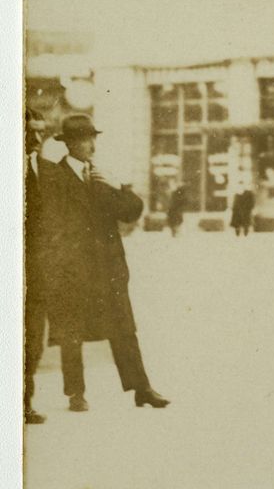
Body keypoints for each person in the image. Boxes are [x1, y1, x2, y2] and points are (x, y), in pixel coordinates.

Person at [40, 114, 170, 412]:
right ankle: (76, 393)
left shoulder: (100, 176)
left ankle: (142, 388)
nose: (92, 144)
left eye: (93, 138)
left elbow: (131, 212)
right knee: (72, 332)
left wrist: (118, 185)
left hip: (108, 269)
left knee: (124, 327)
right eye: (86, 139)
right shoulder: (55, 178)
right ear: (70, 143)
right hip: (74, 269)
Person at [24, 109, 49, 424]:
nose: (38, 138)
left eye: (41, 132)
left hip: (38, 272)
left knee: (32, 340)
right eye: (31, 131)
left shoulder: (44, 170)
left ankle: (23, 402)